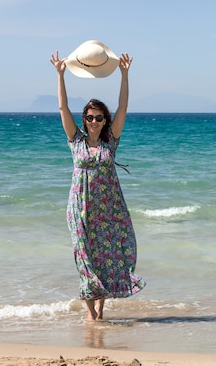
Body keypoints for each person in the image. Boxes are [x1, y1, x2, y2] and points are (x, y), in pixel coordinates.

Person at [50, 48, 145, 322]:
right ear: (84, 120)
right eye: (90, 117)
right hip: (79, 208)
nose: (94, 121)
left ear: (105, 120)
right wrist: (60, 75)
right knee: (84, 257)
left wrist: (124, 75)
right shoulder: (75, 141)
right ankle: (91, 312)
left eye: (99, 117)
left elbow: (124, 107)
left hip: (108, 210)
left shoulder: (110, 141)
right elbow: (62, 108)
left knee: (105, 257)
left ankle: (100, 308)